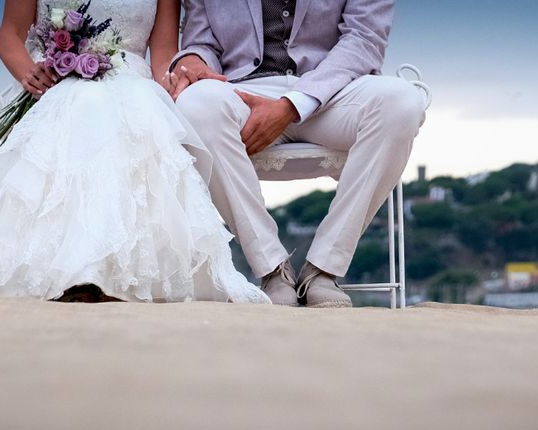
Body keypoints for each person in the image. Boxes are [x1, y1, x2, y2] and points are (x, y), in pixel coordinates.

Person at [0, 0, 270, 305]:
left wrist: (174, 86)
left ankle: (110, 274)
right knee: (84, 103)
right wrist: (31, 74)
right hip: (55, 83)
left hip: (133, 80)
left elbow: (163, 55)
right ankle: (78, 272)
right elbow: (9, 37)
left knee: (128, 110)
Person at [166, 0, 426, 308]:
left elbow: (365, 38)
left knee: (404, 102)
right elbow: (201, 41)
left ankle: (323, 270)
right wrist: (194, 60)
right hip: (244, 95)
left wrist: (292, 105)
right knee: (196, 104)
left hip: (333, 93)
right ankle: (272, 270)